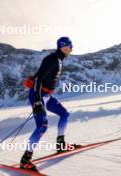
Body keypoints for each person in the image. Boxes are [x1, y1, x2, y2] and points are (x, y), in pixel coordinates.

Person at [20, 36, 73, 171]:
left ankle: (60, 144)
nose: (71, 49)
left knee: (64, 114)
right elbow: (38, 79)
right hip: (38, 95)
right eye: (70, 46)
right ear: (63, 46)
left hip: (47, 96)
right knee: (42, 126)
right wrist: (37, 100)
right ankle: (25, 160)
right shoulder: (52, 59)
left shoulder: (59, 60)